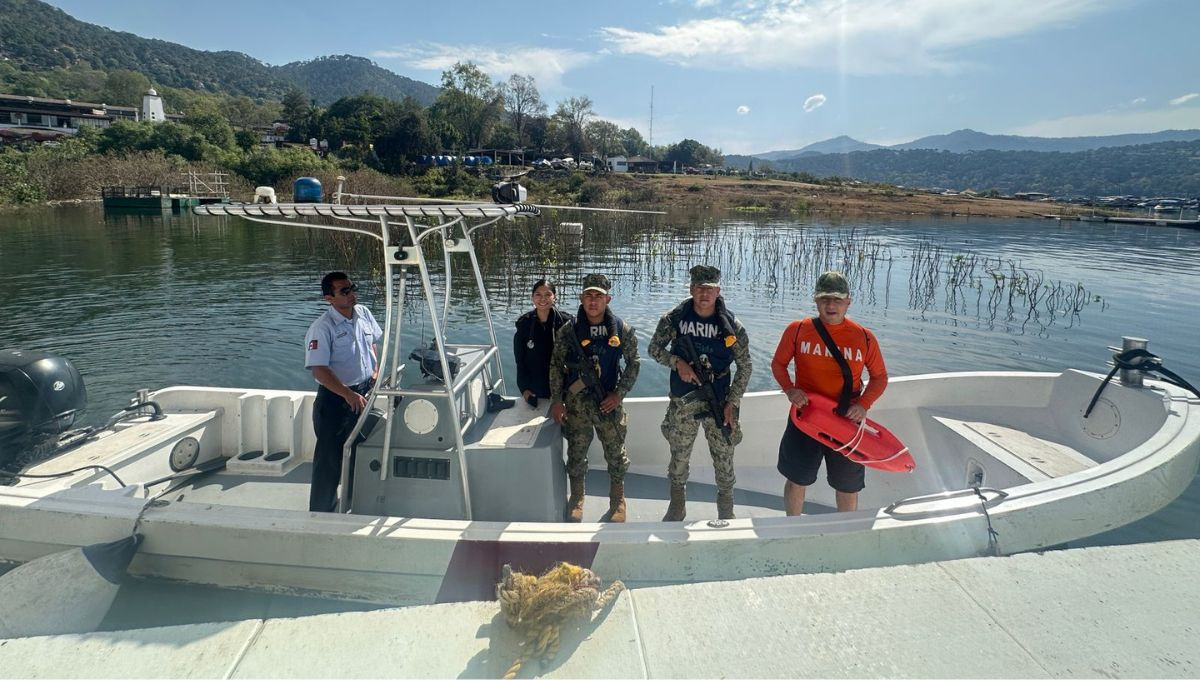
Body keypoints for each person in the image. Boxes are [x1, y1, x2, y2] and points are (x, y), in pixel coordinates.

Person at [771, 271, 888, 516]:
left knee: (848, 485)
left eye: (837, 299)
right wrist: (790, 390)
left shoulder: (864, 338)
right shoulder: (798, 329)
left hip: (847, 422)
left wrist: (864, 405)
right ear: (816, 301)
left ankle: (846, 530)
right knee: (797, 480)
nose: (830, 305)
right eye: (824, 299)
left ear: (848, 302)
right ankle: (791, 526)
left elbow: (879, 378)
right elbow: (778, 364)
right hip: (806, 419)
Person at [647, 265, 752, 521]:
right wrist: (678, 363)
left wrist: (732, 401)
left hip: (720, 400)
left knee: (724, 460)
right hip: (684, 401)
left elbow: (746, 365)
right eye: (699, 288)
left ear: (718, 291)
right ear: (692, 289)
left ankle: (726, 511)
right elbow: (654, 349)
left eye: (710, 289)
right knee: (679, 457)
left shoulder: (731, 325)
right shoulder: (675, 319)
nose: (704, 294)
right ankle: (677, 506)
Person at [549, 273, 640, 522]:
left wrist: (619, 394)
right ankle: (577, 498)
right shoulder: (569, 331)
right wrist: (557, 400)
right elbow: (556, 365)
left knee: (616, 455)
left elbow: (634, 363)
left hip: (608, 403)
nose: (593, 301)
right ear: (581, 297)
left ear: (607, 299)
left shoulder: (621, 329)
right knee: (577, 454)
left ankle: (618, 501)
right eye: (588, 295)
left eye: (598, 296)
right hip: (577, 405)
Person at [303, 272, 382, 513]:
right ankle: (321, 512)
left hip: (363, 392)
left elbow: (371, 343)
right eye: (344, 291)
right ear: (329, 298)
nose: (352, 294)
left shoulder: (364, 313)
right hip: (336, 400)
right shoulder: (322, 328)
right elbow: (319, 370)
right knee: (329, 460)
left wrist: (375, 369)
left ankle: (354, 505)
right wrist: (347, 394)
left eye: (352, 288)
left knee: (359, 452)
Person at [513, 279, 571, 407]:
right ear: (532, 297)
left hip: (563, 389)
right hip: (535, 391)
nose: (542, 299)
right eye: (538, 294)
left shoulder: (566, 323)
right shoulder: (524, 324)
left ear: (554, 297)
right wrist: (524, 390)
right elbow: (520, 361)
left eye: (548, 294)